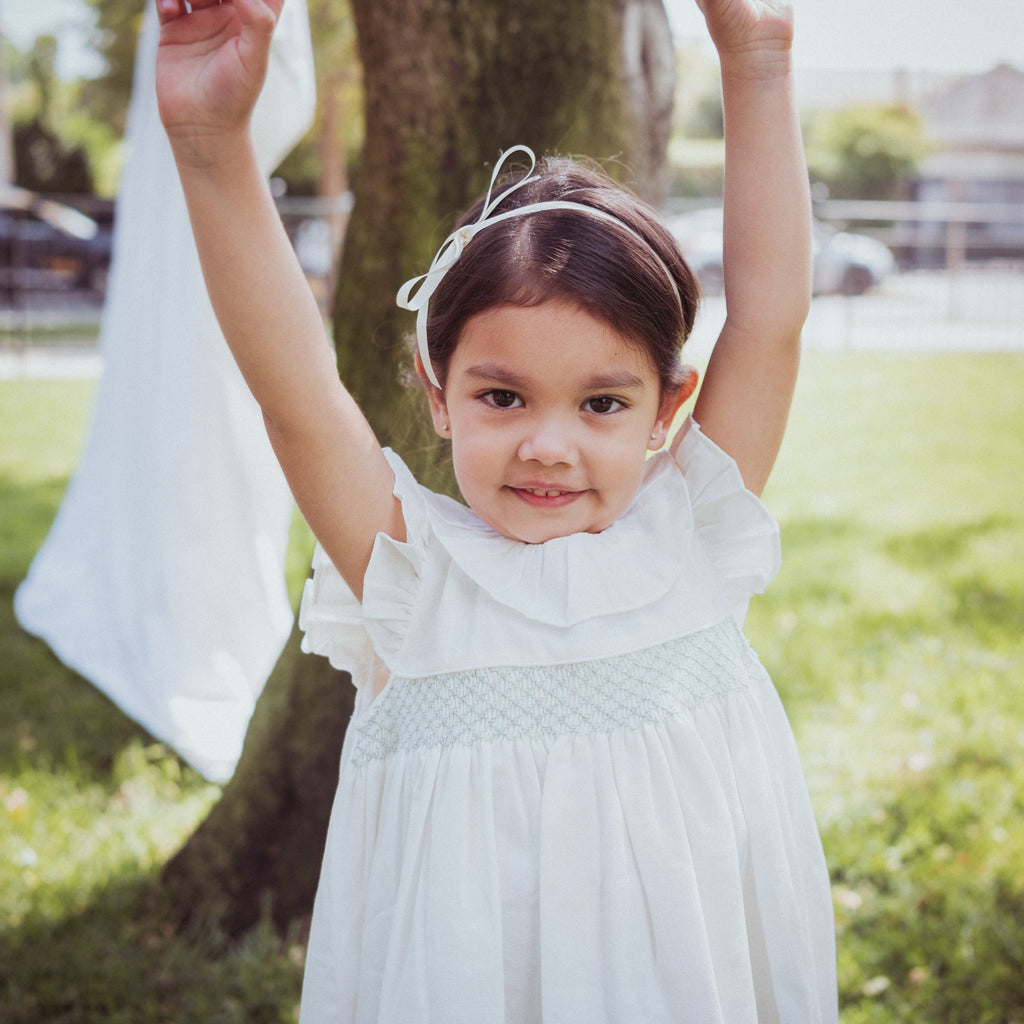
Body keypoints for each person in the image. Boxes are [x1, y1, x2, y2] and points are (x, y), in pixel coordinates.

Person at [155, 0, 838, 1019]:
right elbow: (294, 391)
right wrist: (209, 139)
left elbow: (771, 320)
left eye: (602, 402)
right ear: (437, 394)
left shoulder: (689, 529)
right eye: (501, 396)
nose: (546, 444)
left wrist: (757, 51)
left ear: (670, 405)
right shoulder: (412, 578)